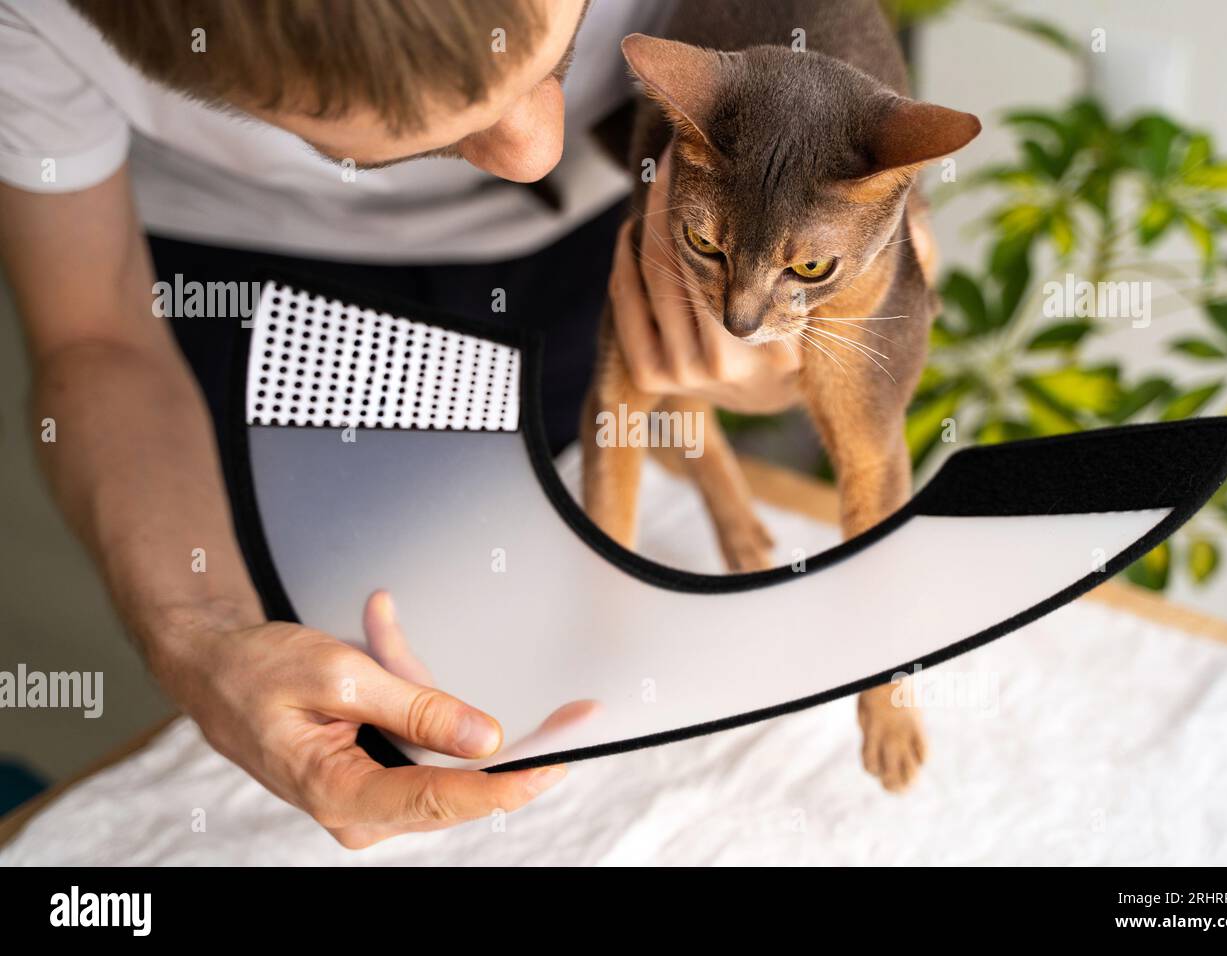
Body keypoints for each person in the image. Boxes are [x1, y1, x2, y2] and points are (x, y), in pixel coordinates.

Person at [0, 0, 800, 847]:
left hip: (606, 229)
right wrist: (201, 634)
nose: (534, 154)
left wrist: (790, 360)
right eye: (424, 136)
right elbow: (96, 332)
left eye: (554, 58)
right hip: (249, 281)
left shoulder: (567, 154)